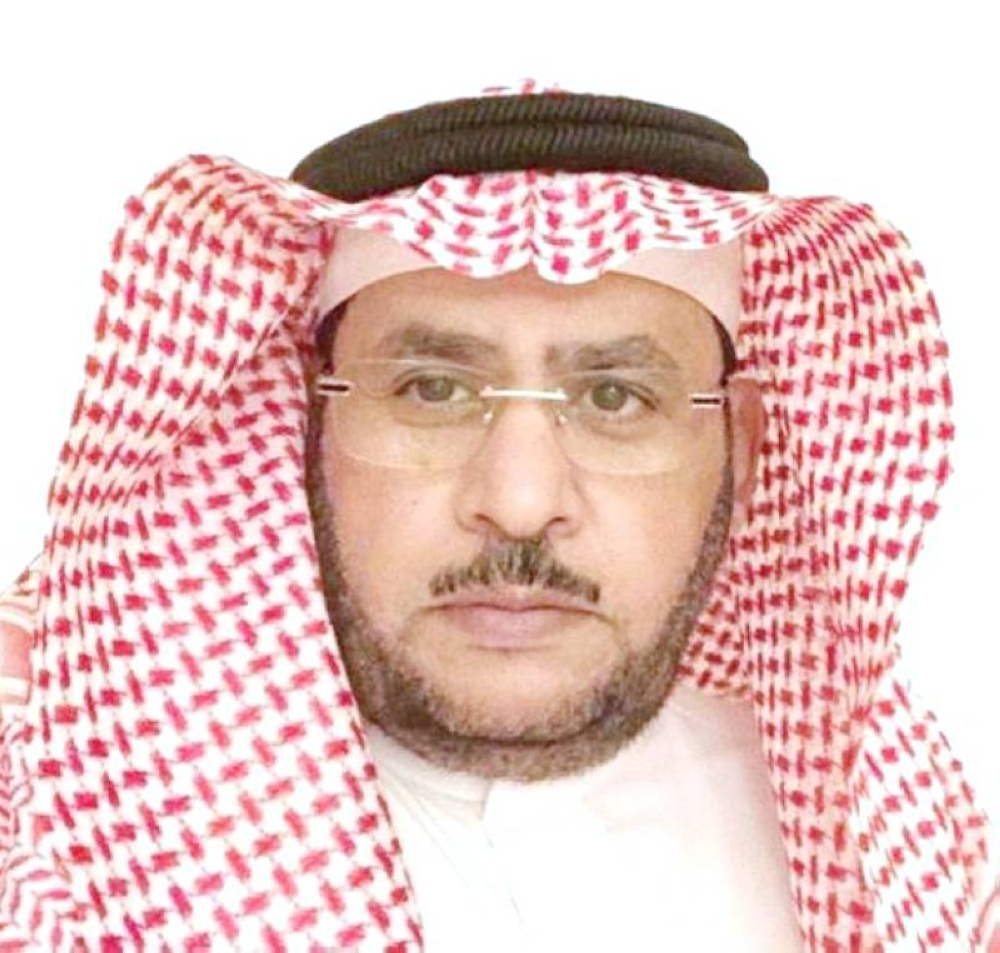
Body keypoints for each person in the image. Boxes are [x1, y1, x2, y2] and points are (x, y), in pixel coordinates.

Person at [0, 82, 995, 950]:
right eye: (432, 389)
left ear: (742, 443)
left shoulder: (895, 854)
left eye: (616, 398)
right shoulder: (48, 814)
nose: (519, 502)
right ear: (301, 423)